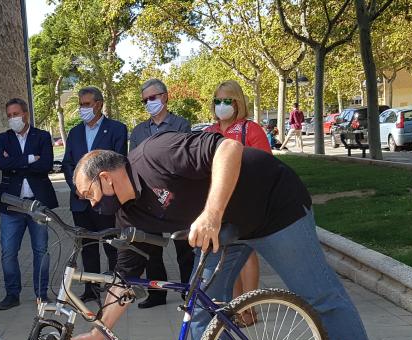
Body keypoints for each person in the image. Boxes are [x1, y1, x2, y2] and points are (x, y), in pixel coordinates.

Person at [68, 132, 392, 340]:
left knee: (319, 296)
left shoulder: (155, 154)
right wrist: (99, 333)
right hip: (226, 228)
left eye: (90, 194)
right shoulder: (130, 215)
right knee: (200, 304)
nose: (92, 205)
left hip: (274, 207)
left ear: (106, 177)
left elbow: (228, 148)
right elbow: (124, 280)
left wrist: (211, 213)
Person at [204, 80, 271, 325]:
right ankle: (234, 307)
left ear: (238, 103)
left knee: (245, 253)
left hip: (245, 200)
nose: (222, 106)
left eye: (227, 101)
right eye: (217, 101)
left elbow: (266, 166)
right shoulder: (209, 132)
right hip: (217, 201)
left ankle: (249, 309)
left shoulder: (250, 130)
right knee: (224, 255)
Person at [128, 78, 193, 309]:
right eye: (145, 100)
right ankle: (157, 294)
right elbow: (132, 163)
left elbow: (186, 160)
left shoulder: (181, 125)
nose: (148, 103)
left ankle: (189, 293)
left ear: (165, 97)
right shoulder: (138, 131)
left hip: (177, 199)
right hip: (148, 200)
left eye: (152, 98)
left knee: (184, 250)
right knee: (151, 251)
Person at [61, 86, 128, 302]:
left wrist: (96, 189)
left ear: (99, 104)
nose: (82, 108)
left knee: (111, 246)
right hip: (80, 202)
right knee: (87, 247)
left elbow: (118, 162)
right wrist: (79, 189)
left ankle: (115, 288)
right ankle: (91, 289)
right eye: (81, 104)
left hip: (106, 200)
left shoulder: (117, 129)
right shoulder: (75, 132)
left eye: (86, 104)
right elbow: (68, 164)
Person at [0, 98, 58, 310]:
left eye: (16, 114)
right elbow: (2, 164)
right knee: (8, 252)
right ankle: (12, 294)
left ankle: (42, 294)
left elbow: (46, 164)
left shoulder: (42, 136)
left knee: (41, 250)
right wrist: (31, 158)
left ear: (26, 114)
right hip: (11, 205)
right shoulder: (2, 139)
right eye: (9, 115)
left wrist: (16, 162)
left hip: (37, 203)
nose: (13, 118)